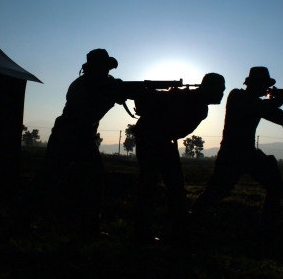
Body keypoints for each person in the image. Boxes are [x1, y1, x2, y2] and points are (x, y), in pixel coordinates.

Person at [190, 67, 283, 231]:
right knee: (216, 192)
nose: (266, 89)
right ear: (254, 84)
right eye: (264, 85)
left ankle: (267, 226)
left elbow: (278, 115)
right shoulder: (237, 96)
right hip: (233, 154)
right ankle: (191, 221)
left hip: (246, 153)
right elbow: (279, 116)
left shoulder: (251, 100)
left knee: (276, 187)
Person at [132, 73, 226, 246]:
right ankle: (144, 233)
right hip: (151, 138)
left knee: (175, 187)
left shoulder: (200, 106)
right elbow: (148, 97)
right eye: (218, 90)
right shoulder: (182, 97)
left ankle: (179, 232)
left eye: (222, 90)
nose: (221, 94)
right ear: (206, 88)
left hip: (164, 141)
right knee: (150, 185)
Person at [38, 49, 123, 239]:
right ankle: (24, 220)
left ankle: (90, 227)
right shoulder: (81, 86)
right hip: (68, 135)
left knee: (90, 178)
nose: (107, 72)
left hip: (78, 137)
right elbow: (86, 119)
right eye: (104, 67)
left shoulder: (100, 83)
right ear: (93, 67)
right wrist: (111, 100)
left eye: (108, 69)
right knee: (49, 178)